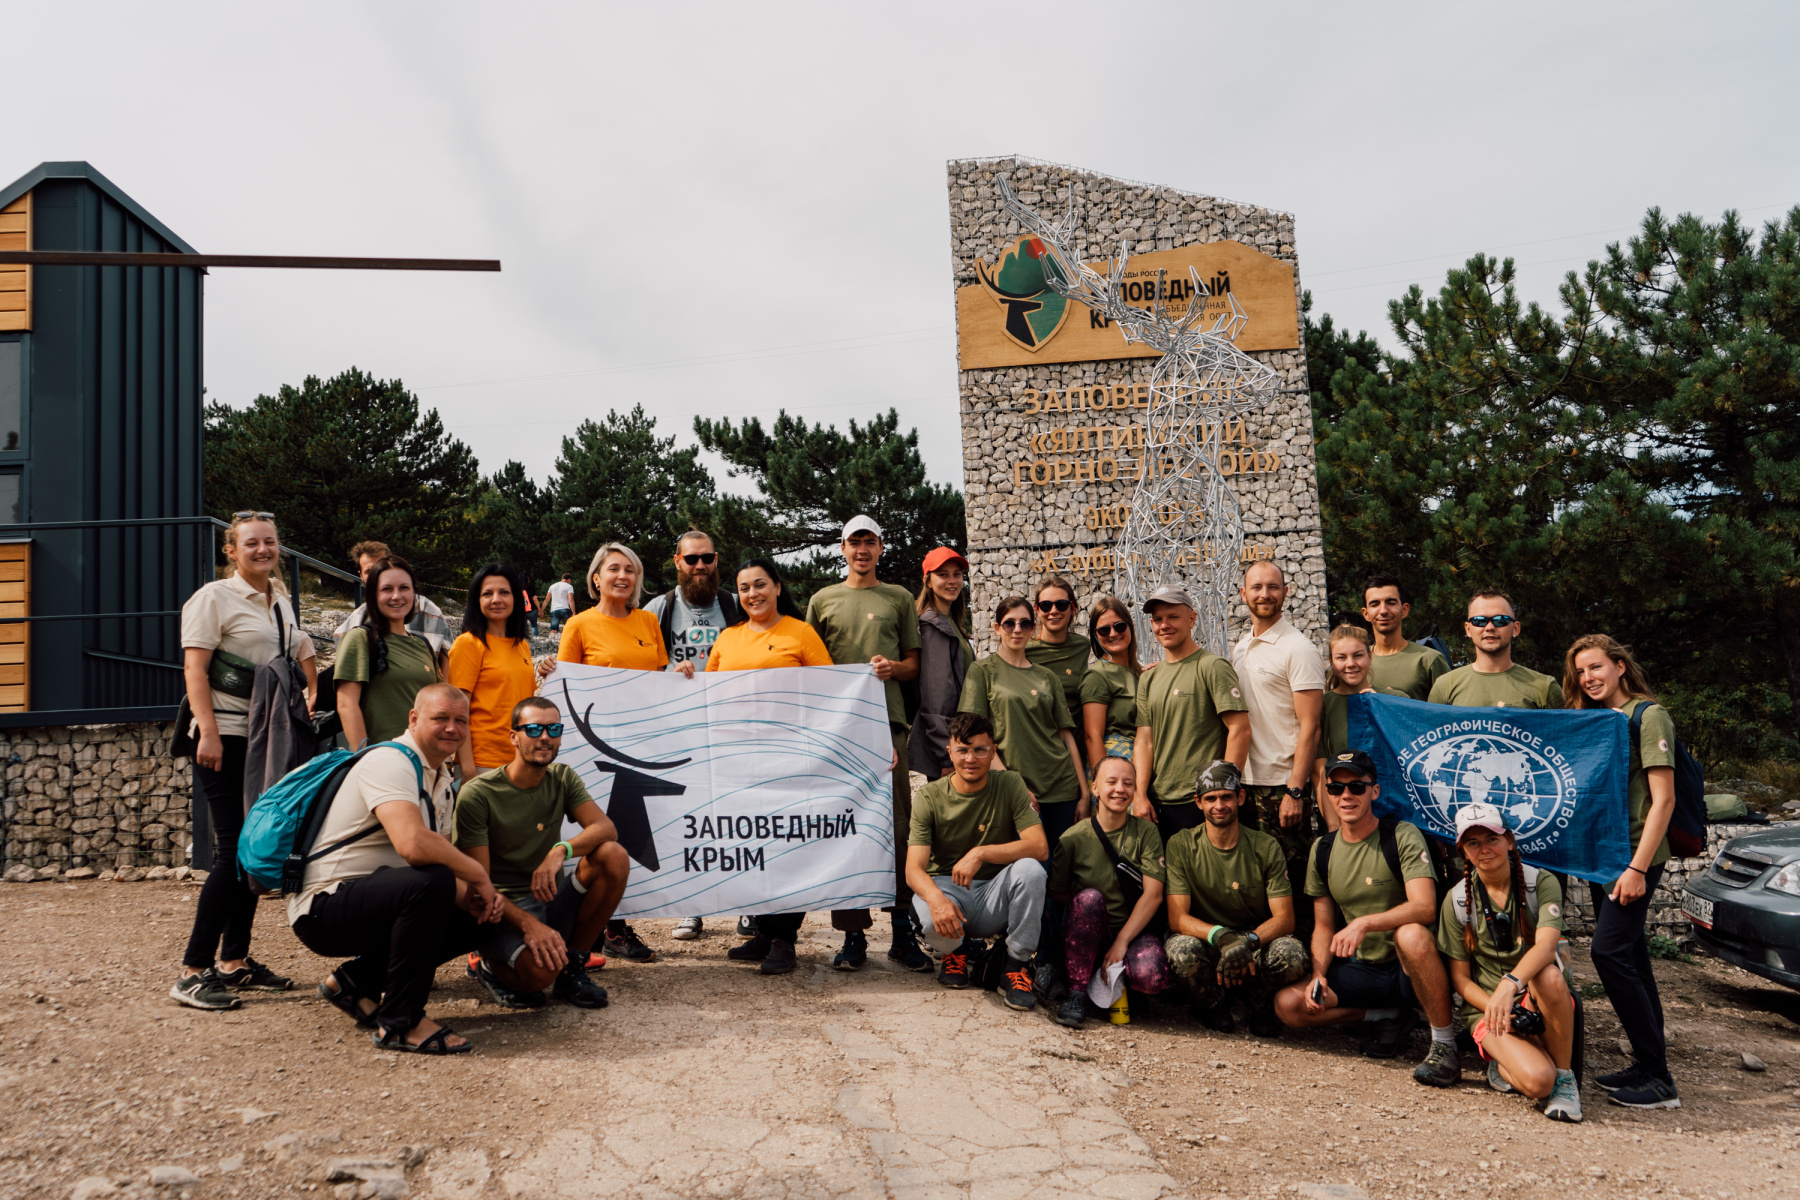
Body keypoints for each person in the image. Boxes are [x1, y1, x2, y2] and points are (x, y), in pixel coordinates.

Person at [291, 684, 498, 1054]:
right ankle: (401, 1023)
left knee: (473, 915)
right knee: (432, 882)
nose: (452, 728)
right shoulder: (391, 761)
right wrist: (478, 875)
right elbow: (413, 845)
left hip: (371, 899)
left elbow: (439, 858)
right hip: (323, 908)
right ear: (414, 719)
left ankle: (355, 983)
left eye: (460, 720)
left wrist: (481, 899)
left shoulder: (439, 779)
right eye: (441, 718)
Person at [170, 511, 316, 1011]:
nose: (262, 550)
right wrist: (207, 733)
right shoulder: (213, 599)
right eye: (251, 543)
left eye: (270, 542)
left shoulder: (280, 602)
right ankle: (192, 969)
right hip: (225, 736)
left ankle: (233, 961)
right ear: (231, 551)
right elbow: (196, 669)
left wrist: (314, 688)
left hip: (264, 741)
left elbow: (297, 652)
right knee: (234, 848)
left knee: (254, 845)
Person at [707, 558, 864, 973]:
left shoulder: (801, 632)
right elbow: (704, 698)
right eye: (743, 588)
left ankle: (784, 939)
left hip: (792, 758)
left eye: (760, 584)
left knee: (787, 845)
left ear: (778, 587)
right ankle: (761, 929)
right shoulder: (727, 638)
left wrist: (862, 745)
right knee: (752, 844)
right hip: (739, 761)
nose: (752, 594)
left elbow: (833, 694)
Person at [1274, 750, 1461, 1088]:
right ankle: (1385, 1016)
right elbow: (1324, 926)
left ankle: (1444, 1044)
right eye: (1336, 788)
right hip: (1365, 971)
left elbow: (1425, 907)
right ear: (1327, 794)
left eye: (1356, 787)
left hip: (1412, 968)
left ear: (1374, 791)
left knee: (1411, 935)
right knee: (1289, 1005)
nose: (1346, 796)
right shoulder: (1324, 849)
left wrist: (1363, 923)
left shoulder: (1400, 835)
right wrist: (1319, 976)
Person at [556, 541, 689, 962]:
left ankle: (609, 925)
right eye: (614, 569)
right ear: (596, 578)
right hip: (596, 749)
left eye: (630, 570)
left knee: (636, 835)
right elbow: (563, 686)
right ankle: (604, 928)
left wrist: (679, 672)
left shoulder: (648, 622)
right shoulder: (577, 625)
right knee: (604, 833)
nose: (622, 577)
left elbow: (659, 675)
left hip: (643, 741)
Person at [452, 695, 628, 1010]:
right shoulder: (479, 793)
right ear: (513, 737)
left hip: (548, 899)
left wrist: (561, 849)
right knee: (538, 977)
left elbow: (606, 828)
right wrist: (528, 925)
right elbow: (479, 888)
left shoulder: (562, 777)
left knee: (612, 855)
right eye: (533, 729)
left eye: (553, 728)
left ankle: (573, 968)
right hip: (501, 911)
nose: (544, 737)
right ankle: (487, 965)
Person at [804, 515, 924, 973]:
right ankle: (853, 935)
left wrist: (892, 668)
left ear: (879, 548)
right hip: (839, 729)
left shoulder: (898, 598)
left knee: (895, 826)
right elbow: (810, 665)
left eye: (869, 541)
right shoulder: (822, 600)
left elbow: (914, 665)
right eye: (854, 542)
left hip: (888, 723)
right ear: (842, 548)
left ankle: (900, 929)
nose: (862, 550)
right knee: (846, 825)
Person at [1566, 633, 1681, 1110]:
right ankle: (1647, 1061)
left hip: (1635, 855)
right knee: (1632, 955)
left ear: (1619, 666)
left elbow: (1664, 799)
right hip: (1604, 854)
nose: (1589, 678)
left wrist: (1636, 868)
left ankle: (1659, 1079)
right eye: (1581, 672)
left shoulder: (1648, 715)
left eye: (1596, 668)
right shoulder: (1593, 718)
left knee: (1608, 951)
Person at [1439, 803, 1582, 1121]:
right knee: (1537, 1082)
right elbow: (1460, 980)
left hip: (1534, 996)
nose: (1484, 849)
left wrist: (1510, 985)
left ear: (1510, 841)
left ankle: (1565, 1078)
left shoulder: (1540, 882)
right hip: (1487, 1009)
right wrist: (1496, 1005)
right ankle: (1507, 1059)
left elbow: (1546, 948)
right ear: (1463, 850)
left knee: (1549, 976)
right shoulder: (1457, 900)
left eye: (1492, 838)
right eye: (1473, 843)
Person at [907, 713, 1049, 1012]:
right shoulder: (930, 795)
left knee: (1031, 870)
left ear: (993, 751)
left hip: (994, 893)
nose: (971, 758)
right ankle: (953, 954)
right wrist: (936, 899)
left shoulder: (1010, 783)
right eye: (962, 750)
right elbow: (913, 869)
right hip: (950, 891)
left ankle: (1014, 967)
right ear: (950, 752)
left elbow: (1039, 847)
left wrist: (980, 853)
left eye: (980, 750)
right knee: (930, 914)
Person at [643, 530, 742, 941]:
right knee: (689, 821)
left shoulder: (734, 604)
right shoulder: (657, 609)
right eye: (691, 559)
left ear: (717, 560)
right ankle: (692, 907)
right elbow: (640, 667)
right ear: (676, 562)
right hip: (679, 730)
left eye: (708, 558)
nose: (700, 566)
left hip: (730, 726)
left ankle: (745, 905)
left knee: (738, 817)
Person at [1163, 761, 1308, 1037]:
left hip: (1253, 940)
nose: (1219, 804)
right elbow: (1177, 918)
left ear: (1240, 797)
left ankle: (1260, 1007)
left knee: (1292, 954)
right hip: (1210, 939)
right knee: (1180, 950)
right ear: (1198, 802)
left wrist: (1245, 942)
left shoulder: (1265, 846)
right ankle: (1213, 1006)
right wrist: (1221, 937)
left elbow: (1285, 919)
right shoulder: (1180, 845)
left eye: (1227, 796)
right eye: (1211, 798)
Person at [1231, 561, 1325, 942]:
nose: (1264, 594)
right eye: (1256, 587)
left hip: (1281, 789)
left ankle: (1301, 967)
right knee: (1256, 886)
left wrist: (1295, 791)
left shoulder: (1298, 648)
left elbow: (1311, 726)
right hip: (1247, 787)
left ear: (1285, 592)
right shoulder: (1240, 647)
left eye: (1273, 587)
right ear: (1244, 594)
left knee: (1293, 883)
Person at [958, 595, 1090, 850]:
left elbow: (1065, 735)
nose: (1017, 630)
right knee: (1032, 867)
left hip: (1062, 787)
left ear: (1033, 630)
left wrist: (1084, 793)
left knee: (1061, 872)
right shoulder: (982, 671)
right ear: (997, 628)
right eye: (1009, 623)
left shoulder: (1047, 677)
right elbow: (976, 738)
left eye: (1025, 624)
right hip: (1017, 788)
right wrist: (1014, 786)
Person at [1047, 754, 1169, 1028]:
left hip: (1132, 932)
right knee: (1088, 899)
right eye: (1111, 782)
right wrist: (1087, 911)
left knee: (1153, 977)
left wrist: (1122, 940)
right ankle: (1077, 993)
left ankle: (1126, 985)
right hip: (1088, 933)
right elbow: (1057, 892)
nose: (1120, 789)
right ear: (1095, 788)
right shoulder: (1073, 838)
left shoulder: (1147, 832)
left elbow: (1153, 894)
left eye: (1128, 783)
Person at [1131, 584, 1250, 835]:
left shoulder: (1212, 667)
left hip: (1200, 800)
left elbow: (1239, 729)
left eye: (1173, 617)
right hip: (1157, 804)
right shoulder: (1149, 678)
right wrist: (1139, 794)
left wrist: (1223, 791)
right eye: (1158, 619)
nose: (1164, 625)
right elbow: (1144, 742)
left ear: (1192, 619)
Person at [337, 556, 443, 779]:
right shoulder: (360, 638)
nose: (396, 596)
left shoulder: (422, 644)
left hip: (425, 765)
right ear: (374, 596)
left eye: (404, 588)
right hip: (383, 765)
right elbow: (346, 704)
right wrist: (365, 760)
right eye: (387, 589)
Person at [448, 564, 542, 780]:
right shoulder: (468, 644)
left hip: (521, 761)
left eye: (504, 592)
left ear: (516, 599)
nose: (496, 599)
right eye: (487, 593)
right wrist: (469, 770)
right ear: (476, 601)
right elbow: (459, 710)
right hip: (483, 765)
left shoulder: (522, 646)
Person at [1314, 625, 1408, 821]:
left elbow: (1409, 757)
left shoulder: (1395, 698)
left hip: (1394, 815)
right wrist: (1333, 827)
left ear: (1370, 657)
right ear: (1331, 661)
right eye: (1341, 657)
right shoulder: (1323, 705)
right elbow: (1320, 771)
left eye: (1358, 655)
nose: (1350, 664)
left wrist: (1383, 709)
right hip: (1344, 816)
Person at [1427, 590, 1561, 709]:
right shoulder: (1445, 686)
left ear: (1516, 628)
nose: (1490, 627)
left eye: (1500, 620)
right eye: (1479, 620)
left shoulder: (1544, 687)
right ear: (1468, 629)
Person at [909, 546, 975, 781]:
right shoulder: (932, 628)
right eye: (943, 574)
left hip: (961, 746)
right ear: (928, 581)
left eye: (957, 574)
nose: (952, 581)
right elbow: (936, 698)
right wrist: (946, 756)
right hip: (951, 753)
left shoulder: (951, 624)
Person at [333, 540, 452, 657]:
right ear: (361, 576)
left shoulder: (426, 610)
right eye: (370, 571)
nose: (377, 575)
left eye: (381, 568)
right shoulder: (358, 617)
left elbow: (446, 656)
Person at [1361, 574, 1449, 700]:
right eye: (1374, 604)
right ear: (1366, 614)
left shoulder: (1429, 660)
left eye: (1391, 602)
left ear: (1405, 610)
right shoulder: (1356, 662)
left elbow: (1449, 715)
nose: (1383, 611)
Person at [1025, 574, 1090, 744]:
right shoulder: (1024, 650)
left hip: (1077, 743)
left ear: (1073, 608)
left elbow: (1115, 662)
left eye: (1061, 604)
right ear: (1037, 611)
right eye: (1046, 606)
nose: (1054, 611)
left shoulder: (1084, 646)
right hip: (1038, 742)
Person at [1080, 596, 1141, 767]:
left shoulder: (1141, 672)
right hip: (1115, 766)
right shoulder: (1097, 676)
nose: (1113, 634)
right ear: (1095, 635)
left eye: (1119, 626)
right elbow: (1092, 737)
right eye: (1104, 630)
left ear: (1130, 626)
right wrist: (1104, 781)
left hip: (1143, 761)